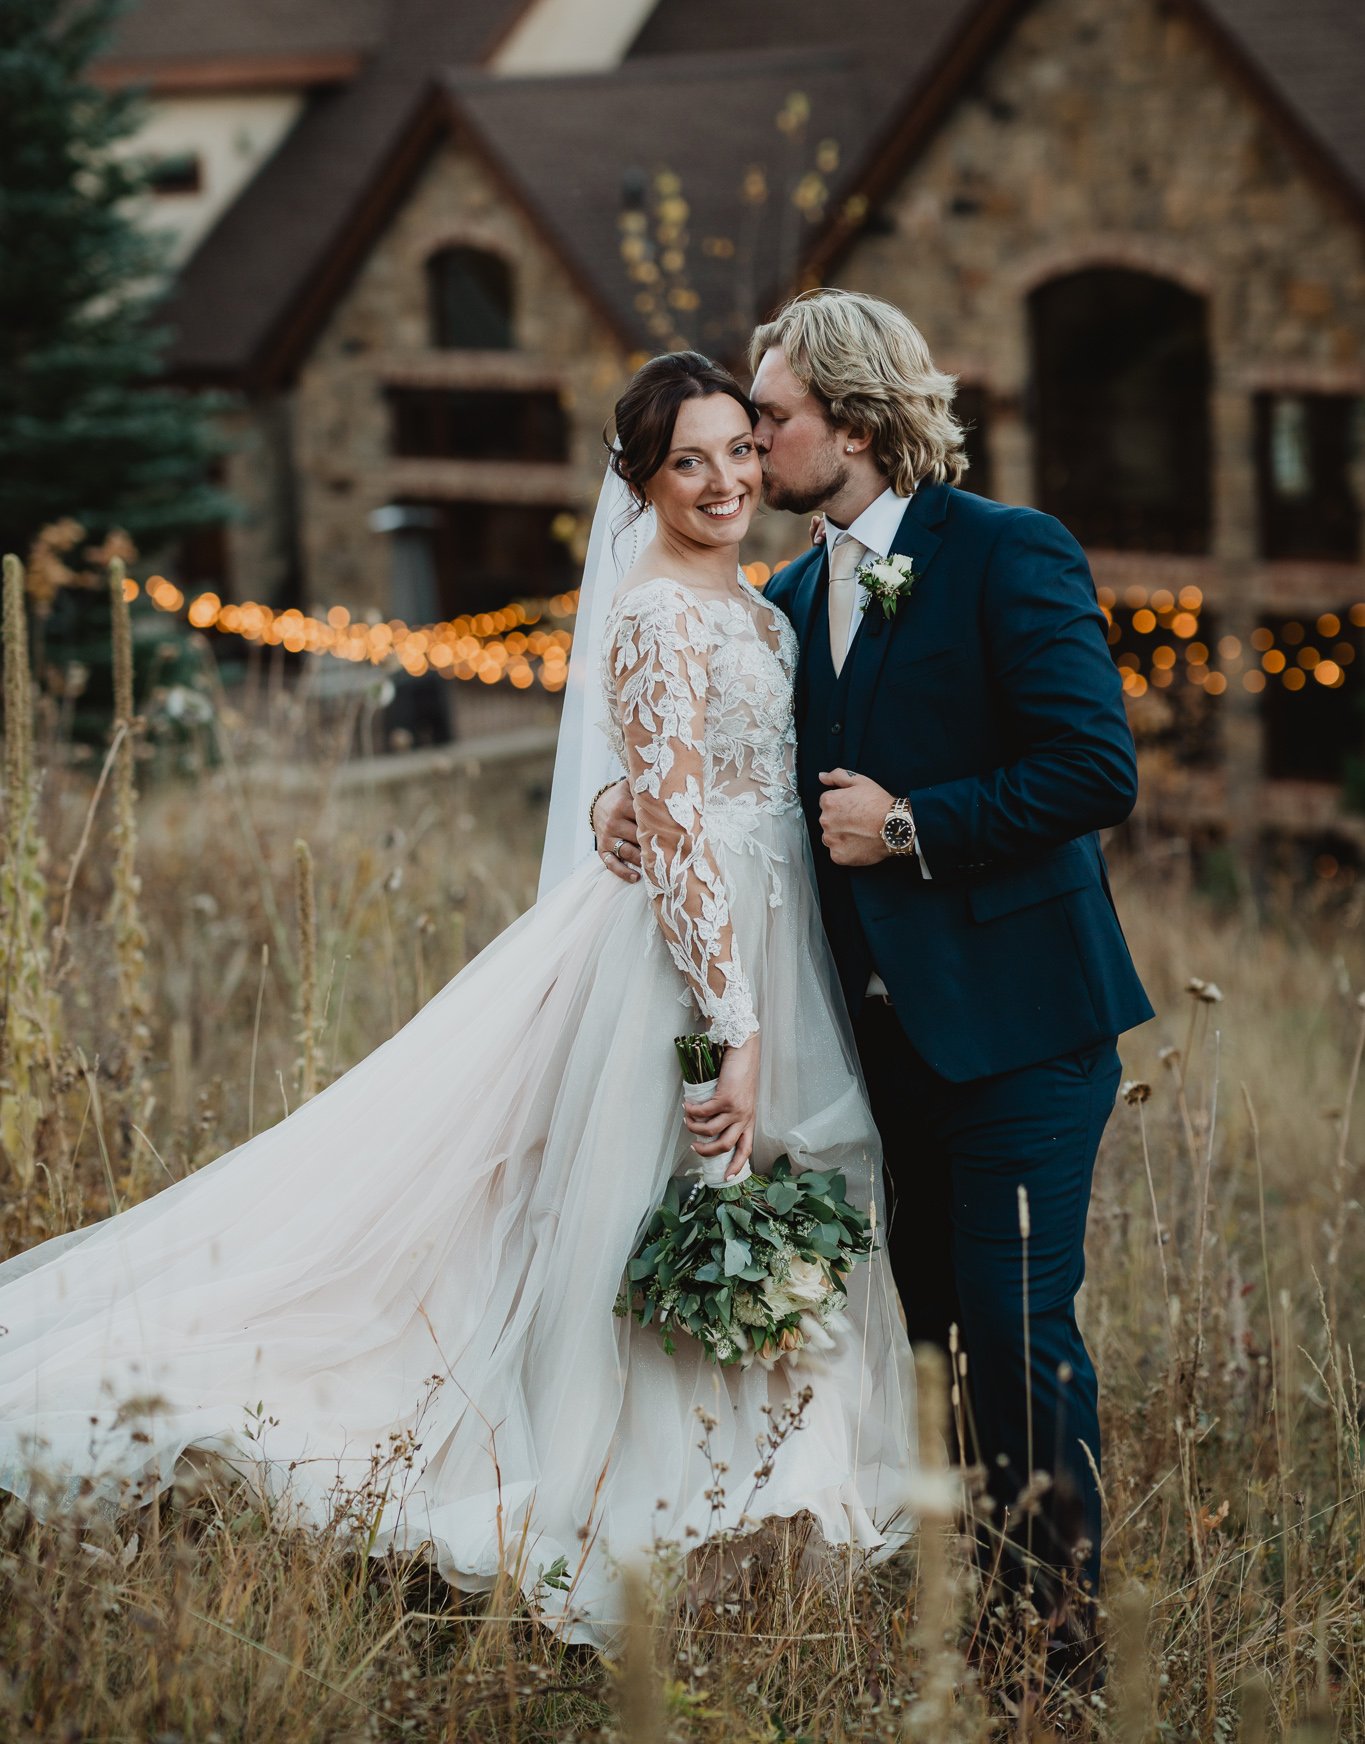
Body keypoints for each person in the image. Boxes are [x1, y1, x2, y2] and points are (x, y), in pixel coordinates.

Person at [0, 351, 915, 1648]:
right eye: (686, 463)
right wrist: (731, 1031)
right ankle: (656, 1500)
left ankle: (752, 1492)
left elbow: (698, 791)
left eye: (735, 450)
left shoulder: (760, 606)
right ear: (641, 485)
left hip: (772, 941)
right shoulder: (655, 613)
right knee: (668, 1200)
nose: (721, 481)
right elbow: (673, 838)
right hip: (691, 965)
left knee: (730, 1204)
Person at [594, 289, 1153, 1670]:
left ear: (847, 422)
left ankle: (1064, 1653)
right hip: (872, 1054)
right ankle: (982, 1621)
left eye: (768, 421)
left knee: (1019, 1334)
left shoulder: (1005, 554)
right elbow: (734, 798)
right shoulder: (781, 605)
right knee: (937, 1341)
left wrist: (911, 823)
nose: (748, 449)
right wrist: (626, 807)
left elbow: (1095, 771)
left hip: (1022, 1032)